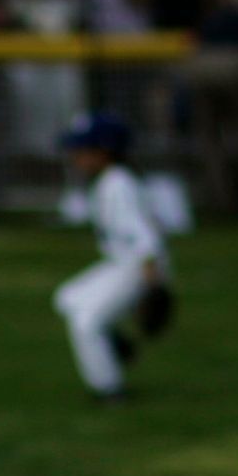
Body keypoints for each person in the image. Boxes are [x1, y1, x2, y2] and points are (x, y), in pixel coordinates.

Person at [53, 113, 172, 402]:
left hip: (139, 266)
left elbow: (145, 237)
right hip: (123, 262)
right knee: (67, 298)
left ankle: (109, 390)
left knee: (86, 322)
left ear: (104, 152)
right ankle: (116, 344)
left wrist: (152, 285)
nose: (74, 155)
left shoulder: (118, 185)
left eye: (82, 149)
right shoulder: (111, 180)